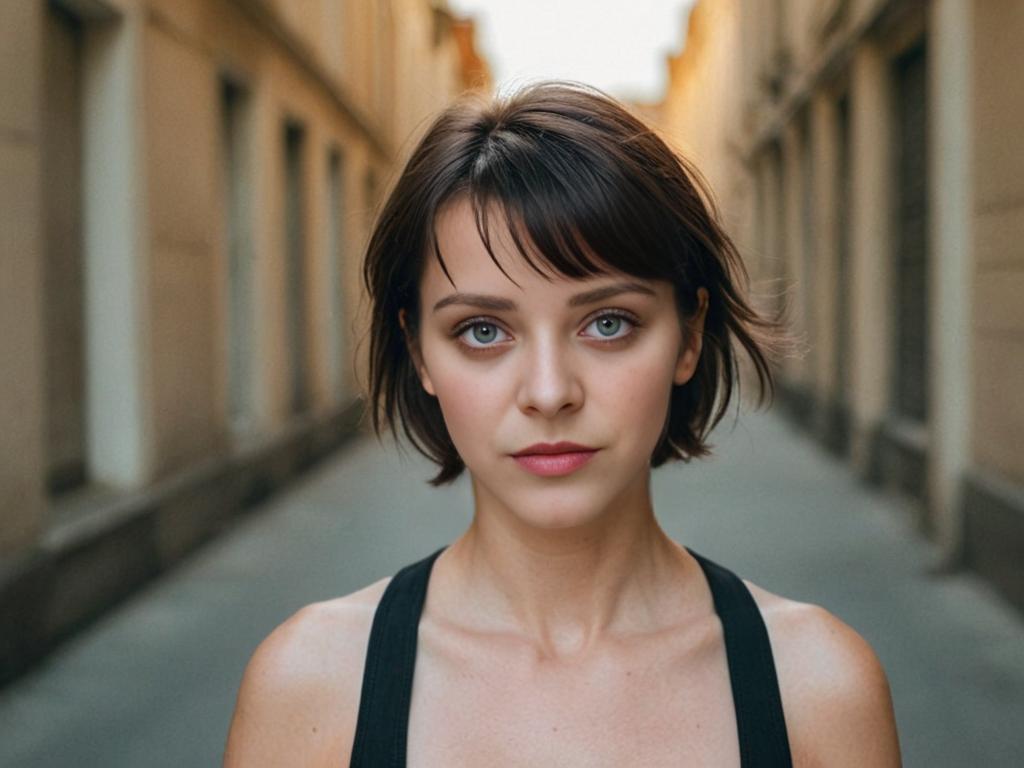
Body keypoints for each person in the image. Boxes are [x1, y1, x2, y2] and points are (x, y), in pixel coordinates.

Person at [224, 81, 901, 767]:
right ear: (417, 350)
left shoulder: (817, 690)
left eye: (608, 323)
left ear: (689, 338)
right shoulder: (309, 689)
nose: (549, 393)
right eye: (483, 330)